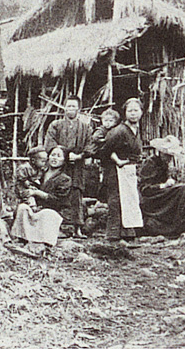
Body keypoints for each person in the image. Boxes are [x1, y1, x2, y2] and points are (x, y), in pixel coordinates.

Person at [138, 135, 185, 236]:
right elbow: (145, 190)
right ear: (160, 153)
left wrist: (169, 181)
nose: (170, 159)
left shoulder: (163, 163)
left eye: (171, 156)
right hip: (152, 199)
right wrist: (163, 185)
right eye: (167, 156)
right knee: (184, 189)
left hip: (162, 194)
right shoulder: (150, 164)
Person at [44, 96, 91, 238]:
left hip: (77, 166)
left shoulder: (85, 127)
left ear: (79, 109)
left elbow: (90, 145)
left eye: (73, 106)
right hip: (60, 166)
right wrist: (62, 154)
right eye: (68, 106)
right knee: (58, 193)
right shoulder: (56, 125)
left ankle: (77, 229)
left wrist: (80, 155)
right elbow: (50, 143)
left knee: (76, 194)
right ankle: (57, 227)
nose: (70, 109)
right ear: (64, 108)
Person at [102, 98, 145, 242]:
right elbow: (105, 150)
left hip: (129, 170)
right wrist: (118, 161)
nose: (133, 114)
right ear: (125, 113)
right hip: (115, 170)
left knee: (129, 199)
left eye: (136, 110)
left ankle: (128, 234)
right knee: (116, 200)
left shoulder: (136, 130)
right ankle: (113, 236)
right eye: (130, 111)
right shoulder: (119, 131)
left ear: (141, 112)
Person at [10, 147, 65, 253]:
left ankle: (42, 242)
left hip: (50, 209)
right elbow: (22, 180)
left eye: (59, 156)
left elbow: (58, 200)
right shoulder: (41, 172)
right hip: (30, 198)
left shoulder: (64, 179)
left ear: (64, 160)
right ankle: (21, 237)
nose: (54, 158)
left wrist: (37, 192)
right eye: (53, 155)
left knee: (47, 214)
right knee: (23, 208)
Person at [84, 108, 121, 202]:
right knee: (105, 178)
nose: (108, 123)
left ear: (115, 122)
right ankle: (101, 198)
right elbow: (95, 138)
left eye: (111, 121)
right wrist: (105, 141)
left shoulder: (116, 130)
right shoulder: (101, 130)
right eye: (105, 120)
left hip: (110, 158)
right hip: (100, 155)